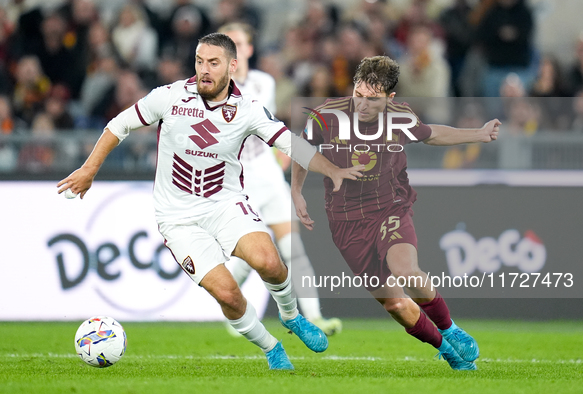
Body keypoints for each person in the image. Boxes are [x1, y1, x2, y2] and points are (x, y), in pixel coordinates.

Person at [57, 33, 364, 370]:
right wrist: (89, 169)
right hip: (178, 218)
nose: (204, 69)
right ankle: (271, 348)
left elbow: (288, 143)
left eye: (213, 63)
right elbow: (120, 124)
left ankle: (291, 317)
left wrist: (332, 170)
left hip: (225, 204)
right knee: (229, 294)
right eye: (199, 61)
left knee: (270, 262)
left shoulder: (247, 110)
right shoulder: (170, 97)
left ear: (232, 66)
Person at [291, 56, 501, 371]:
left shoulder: (400, 117)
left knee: (405, 270)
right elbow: (301, 149)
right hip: (346, 221)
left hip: (390, 208)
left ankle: (449, 327)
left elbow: (431, 134)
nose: (362, 105)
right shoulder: (326, 115)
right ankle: (447, 350)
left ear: (389, 99)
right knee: (397, 304)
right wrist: (296, 191)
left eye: (372, 100)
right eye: (358, 95)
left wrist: (479, 134)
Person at [218, 22, 343, 336]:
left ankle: (315, 317)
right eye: (227, 43)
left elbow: (262, 122)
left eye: (239, 42)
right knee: (254, 253)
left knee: (292, 248)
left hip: (267, 173)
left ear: (248, 49)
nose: (233, 48)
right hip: (236, 180)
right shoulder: (213, 87)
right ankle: (234, 313)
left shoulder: (264, 83)